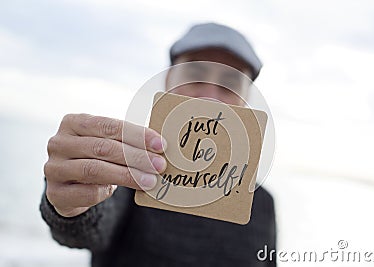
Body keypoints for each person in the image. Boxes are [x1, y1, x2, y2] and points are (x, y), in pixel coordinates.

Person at [40, 22, 276, 267]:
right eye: (195, 74)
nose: (209, 96)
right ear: (168, 81)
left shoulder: (262, 205)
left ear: (245, 99)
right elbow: (89, 227)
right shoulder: (126, 173)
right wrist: (72, 202)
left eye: (230, 83)